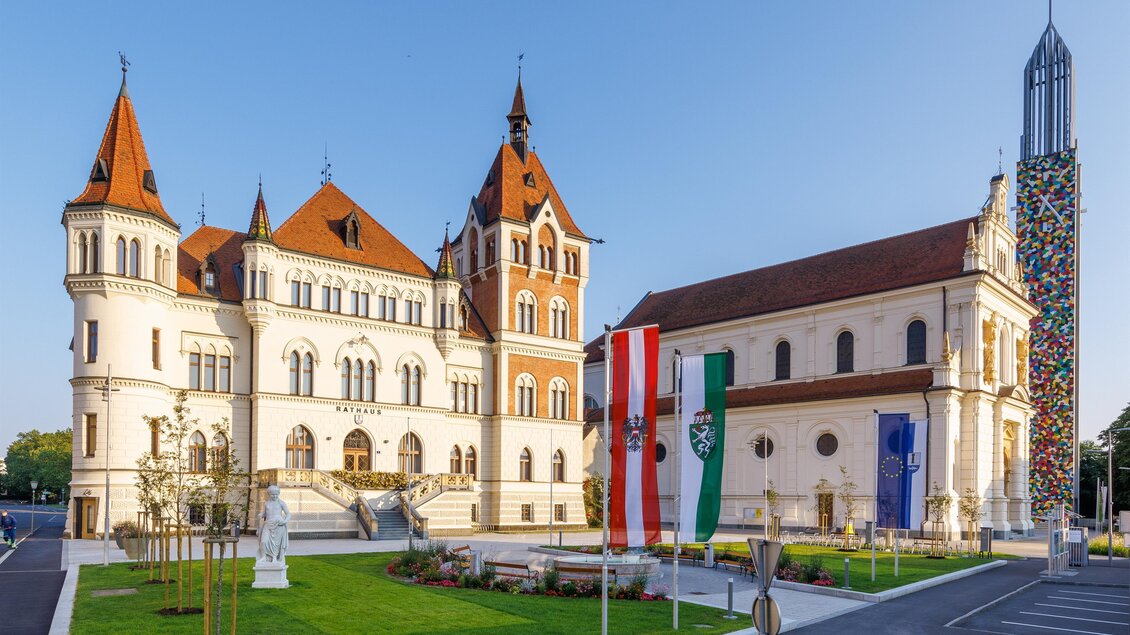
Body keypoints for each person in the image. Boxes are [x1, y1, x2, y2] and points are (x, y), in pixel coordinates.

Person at [257, 485, 290, 564]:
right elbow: (265, 513)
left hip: (278, 525)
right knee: (263, 541)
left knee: (276, 544)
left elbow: (288, 514)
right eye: (272, 494)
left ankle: (274, 558)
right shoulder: (266, 503)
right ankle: (263, 557)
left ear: (278, 494)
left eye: (276, 494)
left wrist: (285, 521)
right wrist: (261, 514)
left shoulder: (281, 503)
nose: (275, 496)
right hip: (268, 524)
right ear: (269, 494)